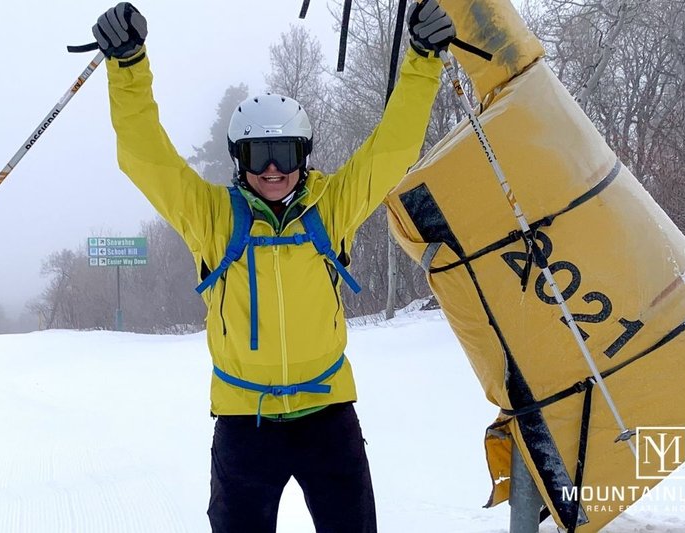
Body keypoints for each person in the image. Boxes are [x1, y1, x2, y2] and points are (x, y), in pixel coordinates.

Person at [92, 1, 454, 531]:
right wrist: (127, 66)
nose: (271, 169)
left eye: (284, 153)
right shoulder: (212, 218)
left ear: (303, 155)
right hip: (244, 424)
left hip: (328, 417)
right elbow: (146, 156)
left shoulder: (332, 207)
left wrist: (423, 59)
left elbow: (392, 149)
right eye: (258, 153)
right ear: (239, 158)